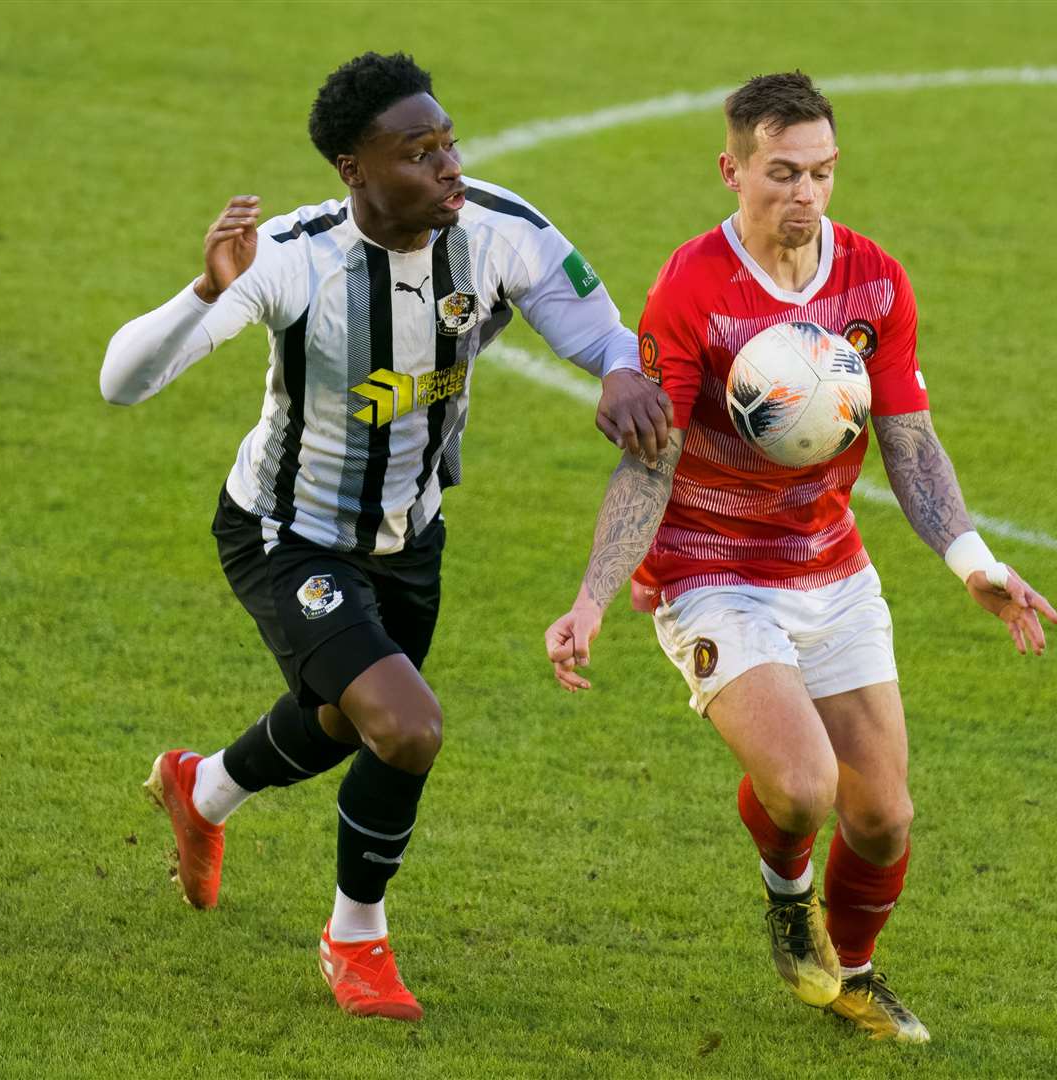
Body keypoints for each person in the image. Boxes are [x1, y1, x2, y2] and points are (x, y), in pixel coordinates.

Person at [100, 51, 672, 1022]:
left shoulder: (498, 230)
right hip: (285, 534)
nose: (447, 166)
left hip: (411, 538)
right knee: (404, 725)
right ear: (351, 168)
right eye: (417, 152)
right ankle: (353, 937)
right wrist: (204, 292)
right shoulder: (291, 258)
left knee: (339, 722)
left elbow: (604, 332)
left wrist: (618, 371)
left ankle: (199, 792)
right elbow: (123, 380)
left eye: (447, 143)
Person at [544, 71, 1057, 1043]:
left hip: (829, 567)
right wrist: (591, 598)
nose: (805, 196)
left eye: (821, 173)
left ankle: (854, 972)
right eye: (781, 174)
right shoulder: (691, 288)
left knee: (883, 818)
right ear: (730, 169)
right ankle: (788, 901)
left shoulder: (873, 279)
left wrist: (972, 561)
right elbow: (645, 464)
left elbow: (908, 443)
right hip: (708, 574)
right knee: (804, 788)